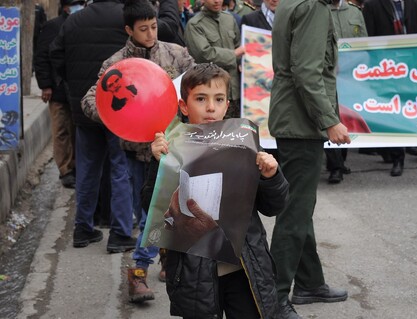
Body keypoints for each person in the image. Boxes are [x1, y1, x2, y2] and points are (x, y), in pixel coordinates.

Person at [146, 63, 289, 318]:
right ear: (183, 106)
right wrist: (158, 165)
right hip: (194, 273)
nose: (210, 107)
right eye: (201, 99)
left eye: (218, 99)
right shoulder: (172, 148)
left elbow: (273, 207)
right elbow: (151, 210)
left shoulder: (244, 145)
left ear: (227, 105)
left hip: (246, 270)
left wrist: (271, 176)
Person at [81, 0, 195, 303]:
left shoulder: (176, 54)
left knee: (170, 210)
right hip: (134, 152)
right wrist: (116, 114)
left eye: (154, 26)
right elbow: (90, 101)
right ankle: (142, 269)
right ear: (129, 30)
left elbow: (196, 88)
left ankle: (153, 263)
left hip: (173, 149)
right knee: (149, 213)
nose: (150, 33)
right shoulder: (116, 65)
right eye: (143, 29)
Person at [268, 0, 351, 317]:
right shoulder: (313, 8)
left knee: (299, 205)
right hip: (301, 123)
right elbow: (307, 71)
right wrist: (329, 120)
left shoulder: (293, 3)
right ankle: (274, 296)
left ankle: (309, 282)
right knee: (295, 211)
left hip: (293, 119)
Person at [50, 0, 136, 253]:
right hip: (118, 109)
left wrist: (74, 86)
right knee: (120, 169)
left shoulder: (74, 20)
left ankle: (82, 229)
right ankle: (120, 232)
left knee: (87, 170)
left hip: (83, 107)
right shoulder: (125, 19)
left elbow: (56, 54)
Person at [362, 0, 417, 176]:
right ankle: (397, 156)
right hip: (387, 69)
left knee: (412, 108)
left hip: (415, 68)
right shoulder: (373, 6)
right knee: (392, 112)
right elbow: (366, 41)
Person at [34, 0, 83, 189]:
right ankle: (66, 169)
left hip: (77, 91)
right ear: (66, 7)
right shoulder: (52, 26)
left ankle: (78, 166)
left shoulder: (81, 24)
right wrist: (46, 85)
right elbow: (42, 57)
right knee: (61, 131)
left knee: (76, 131)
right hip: (58, 91)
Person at [325, 0, 368, 184]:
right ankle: (335, 167)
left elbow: (365, 43)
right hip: (328, 75)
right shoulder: (321, 11)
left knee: (347, 119)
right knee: (331, 118)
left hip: (352, 77)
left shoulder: (355, 12)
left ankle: (341, 160)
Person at [184, 0, 245, 118]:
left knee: (235, 132)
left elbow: (239, 45)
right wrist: (233, 54)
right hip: (210, 94)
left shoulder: (229, 19)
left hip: (235, 92)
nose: (217, 1)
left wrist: (242, 63)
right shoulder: (195, 25)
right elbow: (204, 54)